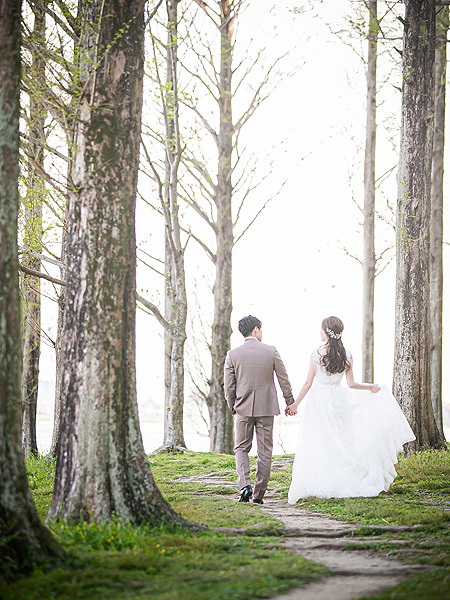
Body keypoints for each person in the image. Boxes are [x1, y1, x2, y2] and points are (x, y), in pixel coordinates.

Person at [287, 316, 415, 503]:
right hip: (339, 399)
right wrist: (370, 387)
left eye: (322, 329)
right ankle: (343, 475)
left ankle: (323, 477)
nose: (320, 332)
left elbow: (308, 383)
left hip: (319, 400)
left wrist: (295, 404)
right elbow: (352, 384)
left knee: (320, 440)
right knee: (342, 438)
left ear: (327, 332)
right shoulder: (347, 355)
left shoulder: (316, 354)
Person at [224, 315, 295, 504]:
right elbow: (283, 378)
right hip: (266, 408)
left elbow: (228, 386)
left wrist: (233, 406)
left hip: (242, 408)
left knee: (241, 448)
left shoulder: (233, 355)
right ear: (256, 329)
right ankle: (258, 494)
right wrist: (289, 401)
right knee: (265, 452)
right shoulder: (271, 351)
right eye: (261, 329)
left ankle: (244, 486)